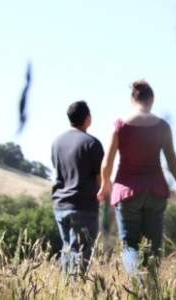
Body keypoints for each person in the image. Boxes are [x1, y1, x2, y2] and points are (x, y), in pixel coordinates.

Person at [97, 80, 176, 276]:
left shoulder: (118, 125)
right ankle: (151, 288)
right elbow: (173, 162)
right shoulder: (162, 126)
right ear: (151, 100)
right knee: (152, 247)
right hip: (155, 191)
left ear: (132, 99)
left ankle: (138, 285)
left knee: (129, 245)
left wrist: (104, 186)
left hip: (126, 192)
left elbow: (107, 161)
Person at [51, 101, 105, 276]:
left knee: (66, 250)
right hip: (84, 206)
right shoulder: (92, 143)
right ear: (87, 118)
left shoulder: (57, 142)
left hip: (60, 205)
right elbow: (100, 178)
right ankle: (76, 291)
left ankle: (65, 290)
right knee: (81, 253)